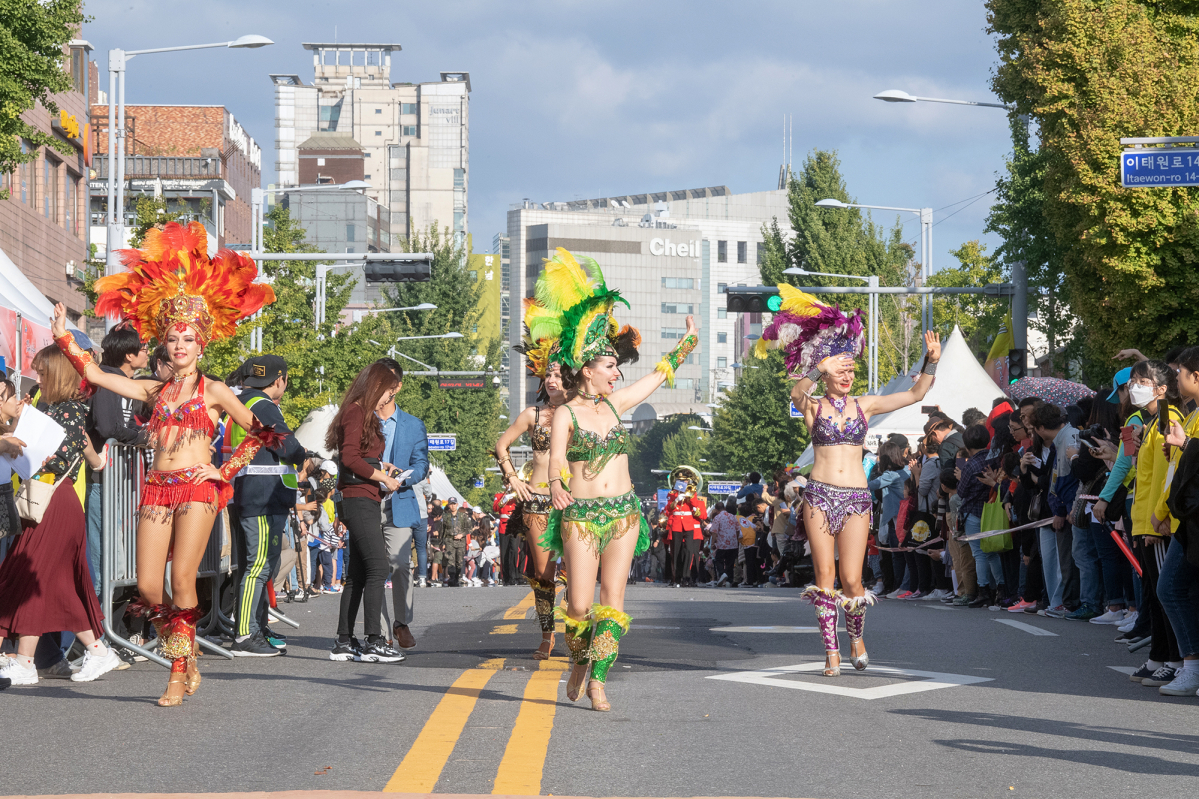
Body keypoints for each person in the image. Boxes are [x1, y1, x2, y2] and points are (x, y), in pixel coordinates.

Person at [49, 222, 279, 706]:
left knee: (181, 580)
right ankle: (186, 648)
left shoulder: (214, 390)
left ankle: (177, 672)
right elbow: (92, 373)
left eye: (188, 340)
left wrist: (224, 469)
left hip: (198, 489)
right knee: (150, 587)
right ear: (165, 346)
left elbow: (263, 432)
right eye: (173, 339)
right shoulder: (154, 390)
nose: (179, 347)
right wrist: (65, 337)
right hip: (156, 487)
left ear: (202, 344)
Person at [539, 247, 697, 711]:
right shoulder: (566, 412)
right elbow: (555, 457)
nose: (616, 373)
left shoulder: (617, 405)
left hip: (624, 514)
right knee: (581, 608)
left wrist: (688, 341)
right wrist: (555, 486)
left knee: (614, 600)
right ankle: (578, 661)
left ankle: (599, 681)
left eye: (616, 368)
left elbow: (659, 376)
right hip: (581, 516)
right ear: (587, 370)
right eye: (609, 367)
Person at [769, 282, 941, 677]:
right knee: (825, 577)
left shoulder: (866, 405)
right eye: (840, 369)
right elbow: (797, 392)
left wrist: (931, 361)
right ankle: (830, 653)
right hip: (819, 496)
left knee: (851, 579)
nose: (847, 374)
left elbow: (915, 394)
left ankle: (857, 639)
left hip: (856, 500)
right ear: (828, 374)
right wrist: (817, 368)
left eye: (851, 368)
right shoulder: (813, 406)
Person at [0, 354, 117, 688]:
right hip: (56, 499)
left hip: (52, 498)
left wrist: (12, 440)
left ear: (56, 374)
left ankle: (26, 661)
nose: (37, 378)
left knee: (30, 576)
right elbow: (87, 454)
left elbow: (53, 458)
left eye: (41, 371)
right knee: (53, 583)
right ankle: (96, 650)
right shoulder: (63, 410)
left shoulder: (65, 411)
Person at [224, 355, 316, 657]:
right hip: (261, 498)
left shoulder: (240, 401)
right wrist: (305, 456)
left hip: (248, 494)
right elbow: (287, 446)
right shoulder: (262, 405)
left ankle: (257, 626)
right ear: (280, 380)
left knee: (255, 567)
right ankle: (245, 634)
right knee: (259, 566)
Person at [497, 320, 572, 656]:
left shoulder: (582, 413)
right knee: (544, 575)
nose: (551, 380)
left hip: (573, 501)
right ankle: (547, 635)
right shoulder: (532, 414)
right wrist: (513, 478)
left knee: (574, 571)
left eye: (558, 375)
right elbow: (502, 445)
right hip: (538, 501)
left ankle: (576, 629)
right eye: (548, 375)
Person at [325, 363, 404, 664]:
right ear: (376, 386)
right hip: (359, 498)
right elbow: (349, 457)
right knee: (377, 567)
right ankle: (374, 641)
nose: (388, 398)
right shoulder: (357, 412)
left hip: (361, 496)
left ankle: (344, 640)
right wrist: (382, 477)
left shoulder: (358, 412)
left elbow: (359, 457)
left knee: (357, 574)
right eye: (387, 391)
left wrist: (382, 470)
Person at [1124, 360, 1186, 686]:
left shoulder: (1167, 419)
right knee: (1155, 594)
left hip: (1155, 522)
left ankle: (1174, 658)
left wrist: (1158, 518)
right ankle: (1159, 656)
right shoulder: (1150, 422)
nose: (1136, 385)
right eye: (1134, 380)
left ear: (1161, 388)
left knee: (1166, 595)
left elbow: (1167, 475)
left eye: (1143, 380)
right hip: (1144, 519)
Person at [85, 322, 149, 594]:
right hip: (101, 480)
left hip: (120, 478)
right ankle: (100, 623)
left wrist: (140, 434)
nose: (148, 353)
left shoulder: (128, 384)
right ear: (128, 355)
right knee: (104, 550)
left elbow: (128, 426)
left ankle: (110, 622)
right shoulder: (106, 381)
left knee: (118, 550)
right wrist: (141, 438)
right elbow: (108, 428)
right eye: (144, 348)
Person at [376, 359, 429, 651]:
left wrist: (403, 477)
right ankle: (381, 632)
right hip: (368, 501)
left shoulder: (412, 425)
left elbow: (422, 464)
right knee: (373, 569)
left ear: (397, 386)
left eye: (387, 382)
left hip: (400, 501)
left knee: (400, 564)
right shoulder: (363, 418)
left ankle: (401, 623)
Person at [663, 466, 706, 588]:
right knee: (676, 551)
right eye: (680, 480)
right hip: (677, 523)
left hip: (688, 523)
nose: (683, 483)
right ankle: (677, 577)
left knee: (688, 551)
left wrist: (690, 496)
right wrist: (676, 499)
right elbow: (669, 508)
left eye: (685, 480)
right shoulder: (672, 493)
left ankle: (686, 577)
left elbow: (696, 505)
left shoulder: (692, 492)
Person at [708, 498, 740, 586]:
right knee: (730, 562)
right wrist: (736, 540)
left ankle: (722, 573)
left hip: (722, 543)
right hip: (733, 543)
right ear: (724, 508)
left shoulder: (717, 518)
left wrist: (712, 543)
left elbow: (714, 532)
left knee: (718, 559)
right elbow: (738, 530)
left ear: (716, 509)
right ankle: (729, 580)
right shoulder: (733, 516)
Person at [441, 497, 471, 586]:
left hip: (460, 542)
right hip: (449, 541)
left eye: (454, 504)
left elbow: (469, 528)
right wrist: (441, 543)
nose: (453, 506)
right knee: (450, 560)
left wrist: (462, 534)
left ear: (457, 505)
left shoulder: (463, 516)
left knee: (459, 562)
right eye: (451, 504)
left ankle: (457, 576)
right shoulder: (445, 516)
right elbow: (442, 530)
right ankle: (452, 577)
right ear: (449, 505)